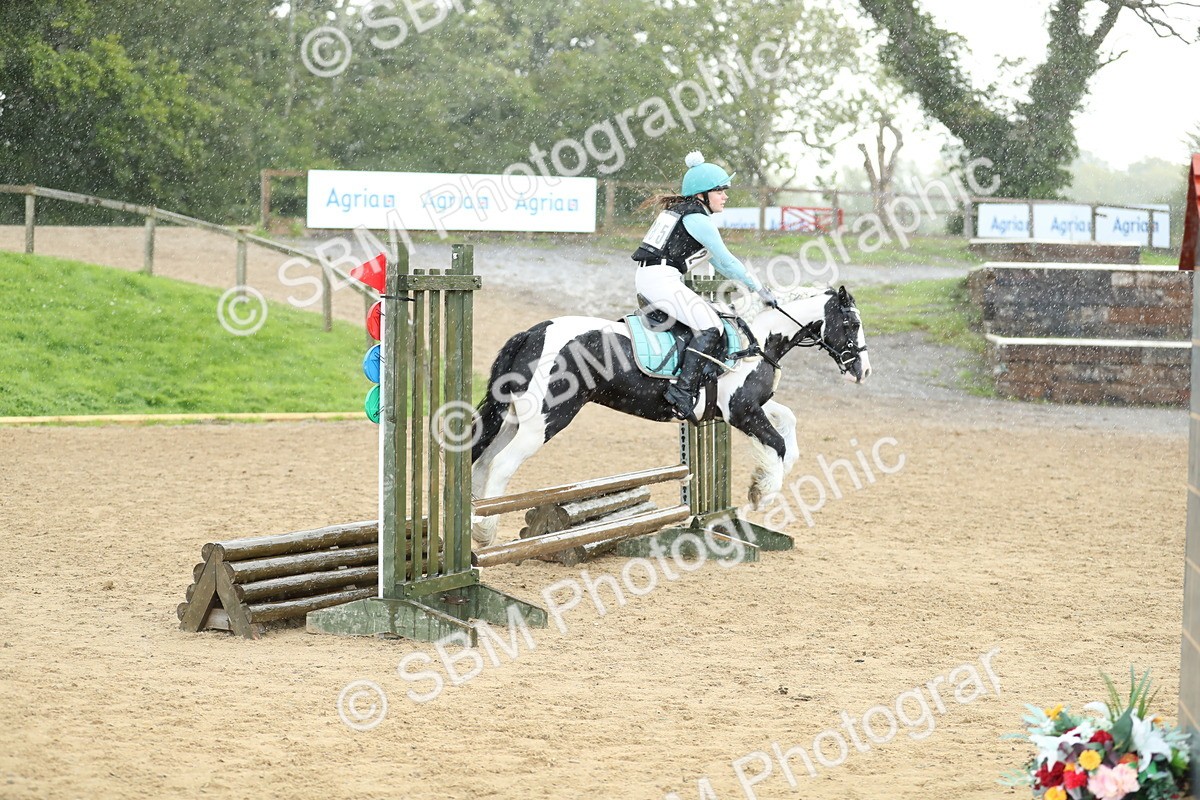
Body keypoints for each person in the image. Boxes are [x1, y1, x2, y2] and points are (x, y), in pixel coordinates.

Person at [631, 151, 776, 423]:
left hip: (655, 277)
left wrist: (748, 285)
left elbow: (719, 264)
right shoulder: (697, 218)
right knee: (711, 326)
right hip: (660, 279)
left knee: (706, 320)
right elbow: (727, 261)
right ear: (703, 194)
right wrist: (759, 288)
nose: (725, 196)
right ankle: (681, 394)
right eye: (720, 190)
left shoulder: (686, 212)